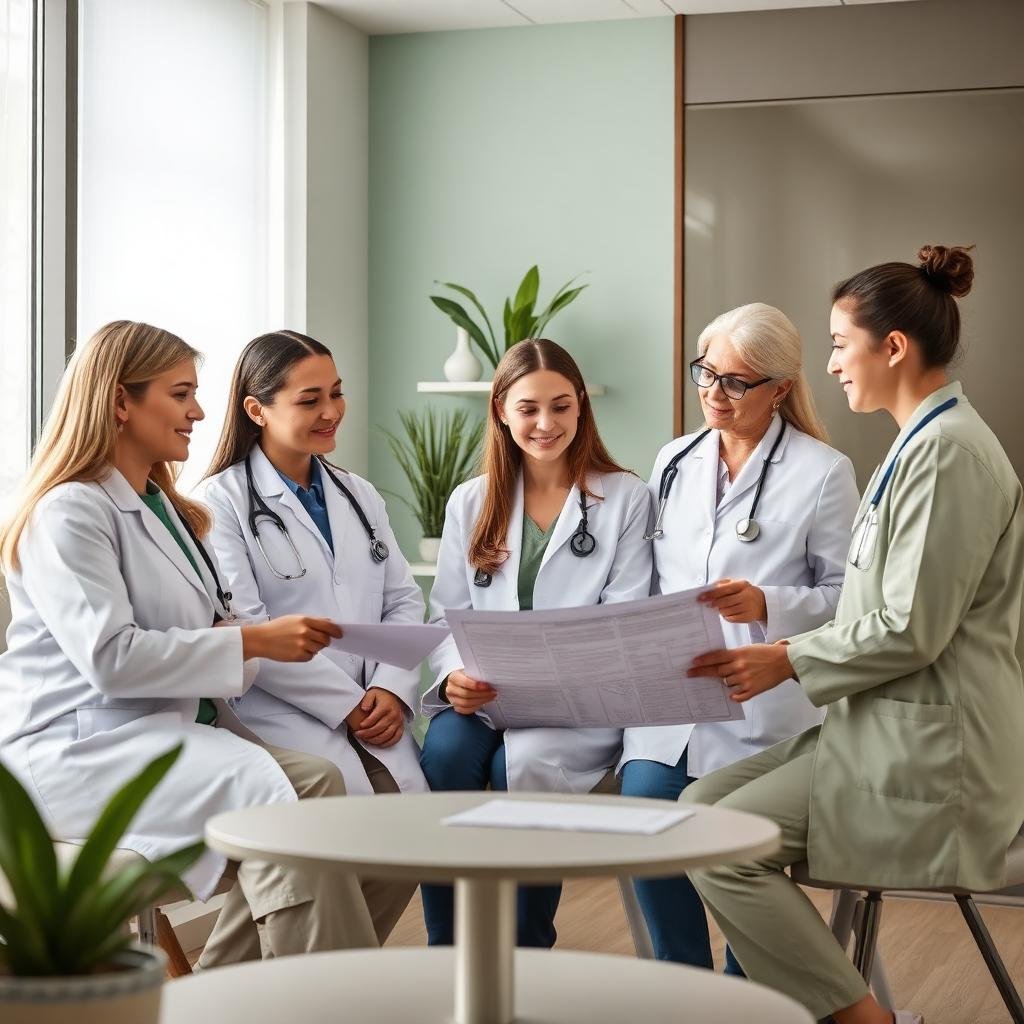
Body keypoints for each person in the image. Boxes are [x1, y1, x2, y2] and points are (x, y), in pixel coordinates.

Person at [684, 245, 1024, 1024]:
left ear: (893, 347)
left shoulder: (948, 456)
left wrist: (785, 660)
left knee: (718, 844)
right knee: (697, 810)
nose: (830, 365)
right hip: (879, 728)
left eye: (839, 344)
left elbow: (909, 629)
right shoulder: (917, 447)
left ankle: (860, 1021)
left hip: (934, 760)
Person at [0, 320, 385, 967]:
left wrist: (247, 643)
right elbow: (111, 659)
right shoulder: (69, 511)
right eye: (181, 394)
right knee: (298, 802)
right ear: (121, 401)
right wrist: (250, 641)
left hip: (166, 733)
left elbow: (206, 638)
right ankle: (324, 1002)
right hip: (80, 749)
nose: (200, 412)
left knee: (349, 822)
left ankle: (223, 997)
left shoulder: (170, 511)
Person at [619, 302, 859, 971]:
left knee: (733, 849)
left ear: (779, 389)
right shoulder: (673, 460)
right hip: (675, 699)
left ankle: (743, 993)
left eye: (735, 382)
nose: (712, 393)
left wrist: (767, 603)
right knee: (643, 809)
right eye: (706, 373)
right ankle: (682, 982)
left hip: (764, 712)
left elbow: (849, 604)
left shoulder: (822, 472)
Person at [420, 338, 653, 948]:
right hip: (487, 694)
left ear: (581, 409)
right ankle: (448, 948)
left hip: (575, 703)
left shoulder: (623, 497)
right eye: (528, 409)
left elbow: (625, 619)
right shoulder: (471, 502)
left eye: (561, 407)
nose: (546, 424)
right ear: (500, 410)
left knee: (518, 765)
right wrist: (452, 679)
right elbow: (448, 615)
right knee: (443, 756)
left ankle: (525, 949)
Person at [203, 330, 428, 940]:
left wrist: (392, 690)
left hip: (371, 709)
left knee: (403, 843)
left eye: (336, 393)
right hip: (278, 714)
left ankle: (297, 984)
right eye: (309, 400)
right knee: (323, 860)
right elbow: (247, 628)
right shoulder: (218, 504)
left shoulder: (356, 494)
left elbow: (404, 599)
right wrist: (346, 702)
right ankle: (326, 988)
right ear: (257, 409)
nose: (331, 412)